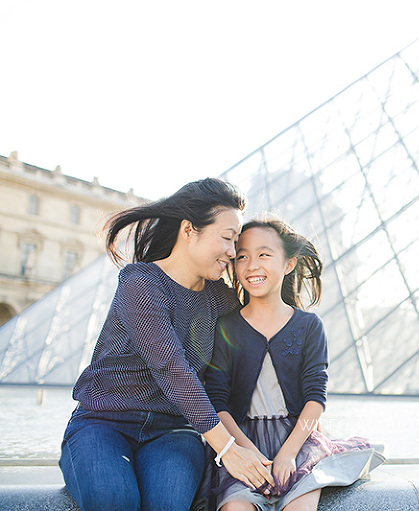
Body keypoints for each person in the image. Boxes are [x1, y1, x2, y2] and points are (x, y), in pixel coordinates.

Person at [59, 178, 274, 511]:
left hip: (173, 432)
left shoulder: (221, 300)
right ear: (189, 230)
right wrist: (228, 449)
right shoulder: (140, 282)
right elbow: (171, 369)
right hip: (102, 424)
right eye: (228, 239)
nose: (233, 253)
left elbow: (258, 361)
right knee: (114, 500)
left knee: (168, 505)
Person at [202, 218, 384, 511]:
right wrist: (247, 454)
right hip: (241, 441)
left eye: (264, 254)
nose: (251, 265)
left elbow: (315, 398)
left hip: (298, 441)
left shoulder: (309, 325)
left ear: (288, 264)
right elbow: (217, 401)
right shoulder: (226, 326)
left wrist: (288, 453)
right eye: (243, 256)